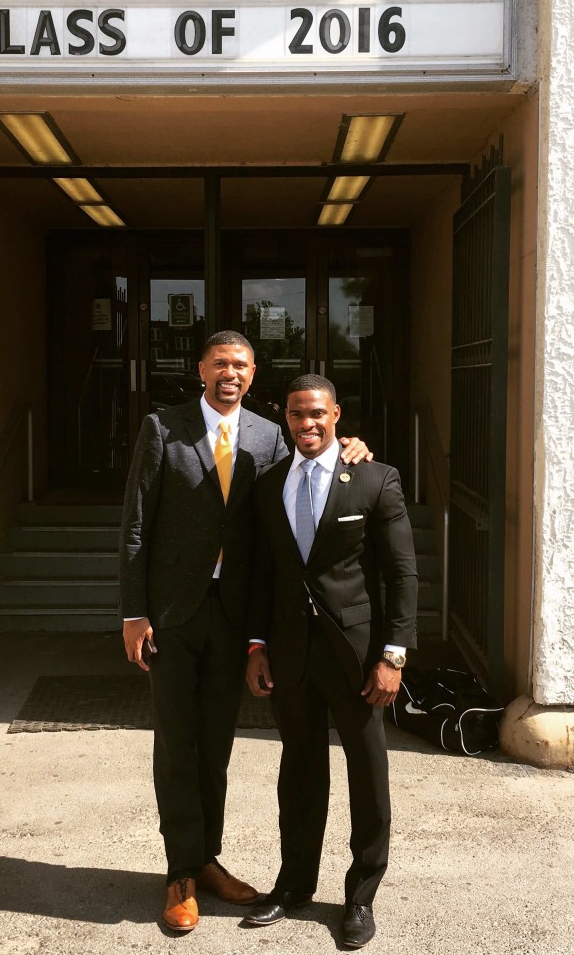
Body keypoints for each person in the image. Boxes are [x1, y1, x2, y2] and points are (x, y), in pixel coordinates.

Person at [119, 333, 371, 932]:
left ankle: (207, 860)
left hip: (233, 617)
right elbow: (135, 524)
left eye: (240, 365)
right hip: (174, 616)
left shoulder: (268, 433)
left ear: (253, 374)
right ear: (201, 369)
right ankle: (180, 871)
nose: (229, 374)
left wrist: (352, 445)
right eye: (219, 364)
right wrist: (134, 612)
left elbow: (307, 473)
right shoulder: (163, 428)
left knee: (216, 745)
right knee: (177, 743)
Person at [243, 373, 418, 949]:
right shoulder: (270, 484)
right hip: (291, 656)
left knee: (367, 774)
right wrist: (257, 645)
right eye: (297, 414)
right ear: (285, 418)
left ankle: (361, 895)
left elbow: (400, 575)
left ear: (336, 414)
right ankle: (294, 885)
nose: (307, 424)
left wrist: (393, 654)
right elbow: (264, 575)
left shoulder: (373, 477)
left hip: (358, 657)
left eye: (317, 413)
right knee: (298, 773)